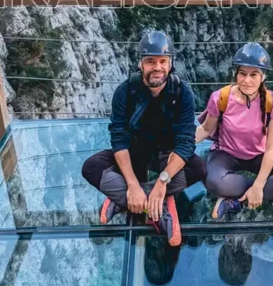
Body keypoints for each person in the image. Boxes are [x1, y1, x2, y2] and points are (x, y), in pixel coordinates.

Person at [82, 30, 206, 246]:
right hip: (135, 152)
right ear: (140, 64)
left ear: (170, 63)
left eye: (162, 61)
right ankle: (152, 203)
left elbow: (186, 142)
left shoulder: (181, 92)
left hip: (167, 155)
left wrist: (161, 183)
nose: (157, 67)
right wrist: (132, 185)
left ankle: (126, 200)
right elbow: (119, 138)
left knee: (199, 168)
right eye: (150, 61)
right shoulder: (126, 92)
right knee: (91, 167)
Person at [196, 43, 273, 219]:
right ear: (236, 74)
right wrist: (179, 144)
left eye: (254, 74)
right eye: (242, 74)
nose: (247, 80)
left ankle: (234, 202)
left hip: (258, 155)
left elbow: (271, 148)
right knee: (214, 182)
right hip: (225, 153)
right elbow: (206, 129)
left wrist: (259, 185)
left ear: (263, 77)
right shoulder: (221, 98)